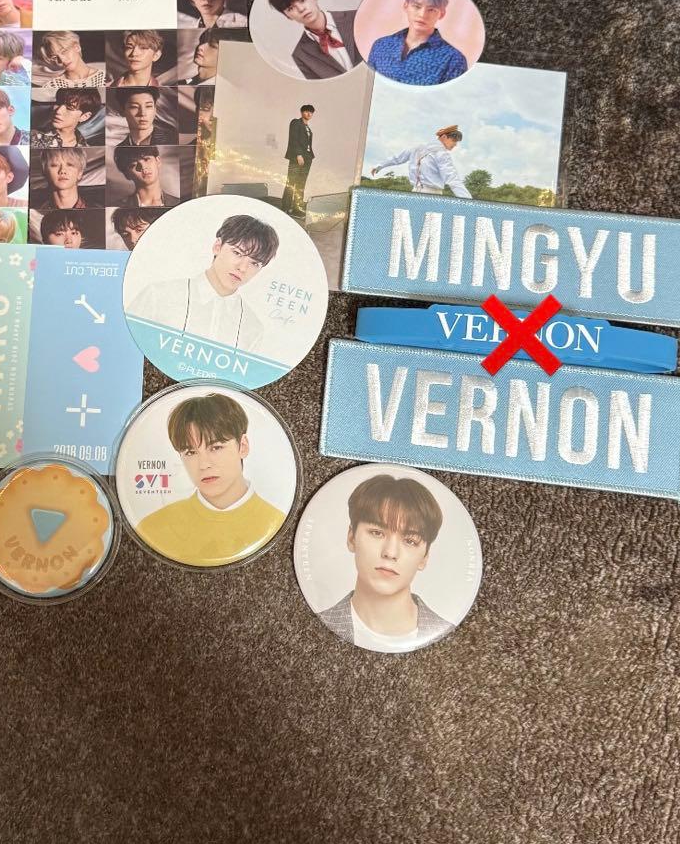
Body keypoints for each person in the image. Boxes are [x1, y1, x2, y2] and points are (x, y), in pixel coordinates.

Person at [135, 393, 285, 567]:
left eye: (215, 447)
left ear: (243, 446)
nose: (204, 464)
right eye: (190, 452)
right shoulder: (154, 527)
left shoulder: (274, 521)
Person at [318, 472, 453, 650]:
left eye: (410, 541)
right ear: (351, 538)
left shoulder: (451, 636)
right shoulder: (316, 622)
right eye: (377, 533)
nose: (390, 553)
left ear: (425, 557)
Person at [127, 214, 279, 352]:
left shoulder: (252, 328)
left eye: (255, 263)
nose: (243, 268)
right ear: (217, 247)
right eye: (237, 253)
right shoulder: (159, 296)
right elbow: (124, 346)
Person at [366, 0, 468, 86]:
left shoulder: (453, 59)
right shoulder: (381, 45)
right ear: (406, 6)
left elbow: (452, 96)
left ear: (441, 14)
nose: (422, 15)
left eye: (431, 10)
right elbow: (367, 87)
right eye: (416, 6)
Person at [267, 0, 360, 79]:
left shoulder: (357, 17)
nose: (301, 9)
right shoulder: (300, 55)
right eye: (291, 8)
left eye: (302, 0)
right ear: (287, 16)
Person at [370, 124, 472, 198]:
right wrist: (468, 201)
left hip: (415, 192)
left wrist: (379, 166)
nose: (455, 145)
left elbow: (397, 159)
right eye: (454, 141)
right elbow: (452, 178)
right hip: (433, 195)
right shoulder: (442, 154)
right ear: (444, 137)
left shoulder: (417, 147)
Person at [31, 88, 101, 148]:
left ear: (84, 116)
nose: (58, 111)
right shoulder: (31, 137)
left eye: (69, 108)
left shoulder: (84, 148)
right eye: (58, 104)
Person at [114, 145, 179, 208]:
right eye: (133, 165)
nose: (143, 167)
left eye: (146, 159)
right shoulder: (118, 207)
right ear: (127, 174)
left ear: (158, 161)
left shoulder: (178, 204)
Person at [37, 30, 106, 88]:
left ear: (77, 47)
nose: (62, 60)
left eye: (64, 51)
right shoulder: (51, 86)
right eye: (55, 57)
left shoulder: (104, 78)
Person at [281, 104, 316, 217]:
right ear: (302, 112)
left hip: (308, 158)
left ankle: (297, 208)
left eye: (311, 112)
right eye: (306, 111)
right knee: (291, 183)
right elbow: (294, 139)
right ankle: (285, 208)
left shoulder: (308, 128)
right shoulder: (296, 122)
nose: (309, 114)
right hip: (298, 157)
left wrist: (308, 157)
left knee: (301, 184)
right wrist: (298, 154)